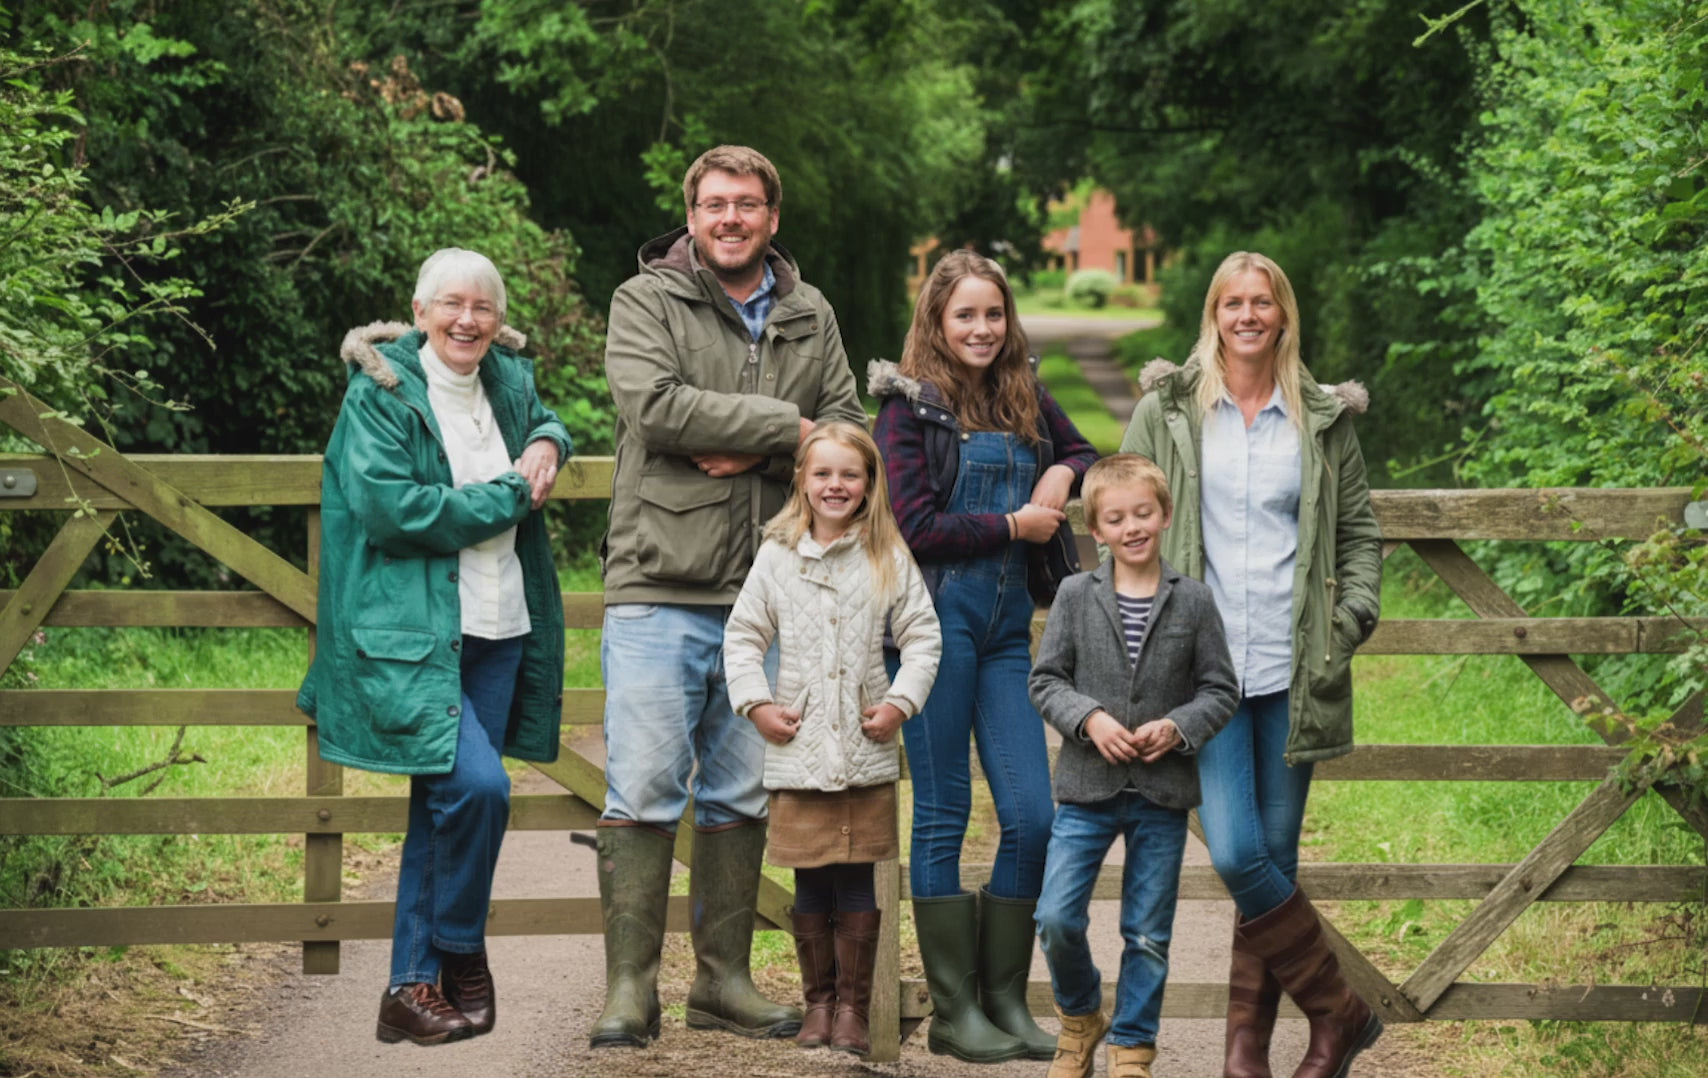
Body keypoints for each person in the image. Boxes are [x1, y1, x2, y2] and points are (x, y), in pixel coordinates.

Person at [592, 144, 867, 1049]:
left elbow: (849, 433)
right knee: (640, 785)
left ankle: (722, 981)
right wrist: (786, 432)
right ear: (692, 215)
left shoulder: (808, 309)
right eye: (715, 205)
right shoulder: (645, 300)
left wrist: (760, 442)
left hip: (773, 587)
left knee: (744, 791)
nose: (731, 219)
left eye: (747, 205)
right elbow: (655, 409)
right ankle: (630, 991)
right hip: (658, 581)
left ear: (771, 218)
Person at [1119, 251, 1384, 1078]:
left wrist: (1347, 622)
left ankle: (1246, 1055)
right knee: (1237, 853)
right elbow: (1125, 511)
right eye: (1231, 302)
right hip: (1207, 673)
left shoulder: (1322, 418)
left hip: (1296, 665)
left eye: (1260, 302)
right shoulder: (1167, 411)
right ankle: (1338, 1011)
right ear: (1213, 313)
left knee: (1274, 855)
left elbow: (1361, 536)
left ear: (1282, 313)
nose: (1246, 315)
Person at [297, 247, 570, 1046]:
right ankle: (459, 950)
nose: (467, 320)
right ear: (418, 313)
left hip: (500, 625)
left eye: (483, 307)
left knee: (441, 808)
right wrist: (513, 492)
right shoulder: (378, 395)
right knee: (479, 790)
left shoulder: (506, 382)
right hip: (415, 637)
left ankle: (408, 989)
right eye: (451, 305)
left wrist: (549, 442)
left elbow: (543, 420)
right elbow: (396, 512)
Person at [869, 249, 1098, 1063]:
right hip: (929, 630)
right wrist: (1011, 526)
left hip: (1006, 633)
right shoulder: (906, 408)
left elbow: (1082, 453)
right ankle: (952, 1008)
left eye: (993, 315)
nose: (981, 328)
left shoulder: (1024, 392)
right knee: (941, 814)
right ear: (935, 320)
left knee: (1034, 816)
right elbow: (915, 524)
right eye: (964, 314)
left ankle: (1004, 997)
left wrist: (1058, 482)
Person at [722, 421, 942, 1058]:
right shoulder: (778, 555)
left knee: (857, 883)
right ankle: (816, 1004)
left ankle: (853, 1009)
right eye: (823, 473)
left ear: (869, 483)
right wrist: (757, 704)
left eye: (850, 474)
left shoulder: (887, 556)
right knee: (811, 883)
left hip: (865, 747)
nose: (836, 485)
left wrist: (899, 703)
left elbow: (923, 637)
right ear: (802, 480)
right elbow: (742, 637)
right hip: (800, 748)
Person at [1029, 454, 1238, 1078]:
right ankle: (1080, 1015)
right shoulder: (1074, 594)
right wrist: (1089, 718)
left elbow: (1220, 691)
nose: (1132, 527)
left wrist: (1178, 727)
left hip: (1161, 793)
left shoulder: (1194, 601)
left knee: (1147, 931)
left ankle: (1133, 1048)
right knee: (1056, 917)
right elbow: (1046, 680)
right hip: (1086, 788)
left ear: (1165, 516)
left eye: (1143, 513)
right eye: (1116, 518)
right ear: (1098, 531)